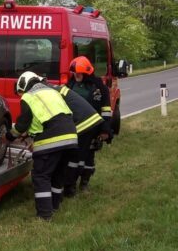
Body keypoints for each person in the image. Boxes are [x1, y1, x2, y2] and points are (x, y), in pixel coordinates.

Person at [7, 71, 79, 221]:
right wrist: (31, 135)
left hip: (53, 137)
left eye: (20, 92)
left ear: (23, 85)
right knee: (58, 173)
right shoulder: (52, 91)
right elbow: (46, 117)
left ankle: (45, 215)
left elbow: (22, 124)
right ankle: (55, 205)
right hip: (71, 136)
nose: (21, 96)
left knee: (41, 176)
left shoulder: (28, 96)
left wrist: (10, 136)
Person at [65, 56, 113, 194]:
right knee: (73, 158)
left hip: (93, 129)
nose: (76, 76)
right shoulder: (70, 86)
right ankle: (70, 185)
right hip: (75, 129)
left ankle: (84, 183)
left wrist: (105, 130)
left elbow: (106, 111)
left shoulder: (99, 88)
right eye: (74, 73)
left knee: (88, 158)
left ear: (86, 72)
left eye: (79, 73)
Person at [52, 82, 106, 198]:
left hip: (83, 125)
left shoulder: (51, 94)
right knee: (76, 158)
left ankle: (69, 188)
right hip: (90, 122)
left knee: (72, 159)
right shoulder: (60, 88)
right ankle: (70, 186)